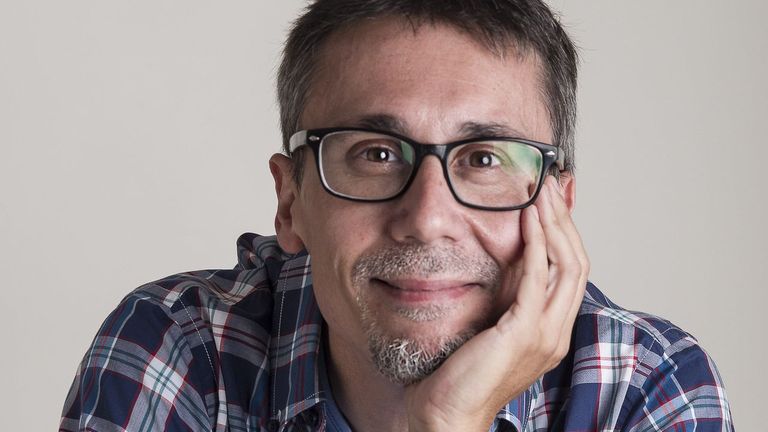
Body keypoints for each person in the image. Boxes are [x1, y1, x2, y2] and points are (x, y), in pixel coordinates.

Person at [60, 0, 734, 430]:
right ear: (290, 202)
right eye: (377, 154)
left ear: (557, 204)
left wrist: (451, 422)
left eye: (484, 158)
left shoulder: (646, 385)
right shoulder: (180, 346)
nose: (428, 217)